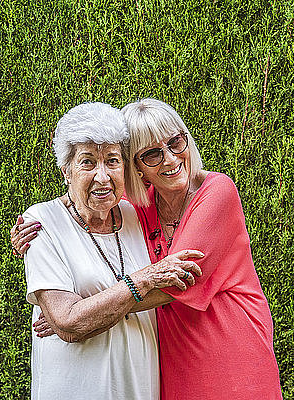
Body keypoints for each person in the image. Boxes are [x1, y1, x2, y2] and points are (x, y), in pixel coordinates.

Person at [13, 98, 283, 399]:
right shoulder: (138, 208)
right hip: (172, 362)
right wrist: (43, 221)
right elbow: (92, 191)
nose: (169, 159)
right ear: (137, 167)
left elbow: (175, 285)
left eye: (175, 142)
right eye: (152, 154)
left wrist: (77, 315)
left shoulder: (216, 192)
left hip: (230, 352)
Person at [19, 101, 203, 400]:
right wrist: (143, 280)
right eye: (88, 162)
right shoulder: (42, 223)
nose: (102, 176)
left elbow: (178, 282)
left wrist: (92, 308)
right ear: (66, 170)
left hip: (140, 387)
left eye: (112, 161)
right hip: (76, 389)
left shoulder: (137, 215)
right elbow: (68, 323)